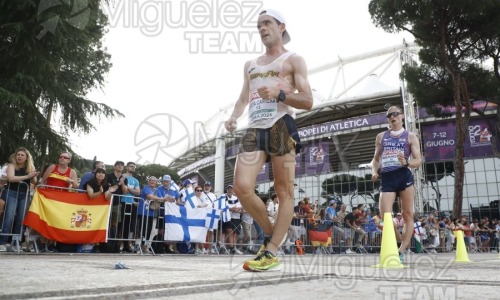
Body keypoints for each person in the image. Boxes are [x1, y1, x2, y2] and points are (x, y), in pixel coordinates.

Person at [224, 9, 313, 270]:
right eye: (259, 25)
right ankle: (272, 234)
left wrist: (279, 94)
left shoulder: (293, 59)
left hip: (280, 126)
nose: (262, 28)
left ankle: (271, 251)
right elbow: (243, 97)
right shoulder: (250, 64)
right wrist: (233, 117)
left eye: (267, 23)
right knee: (241, 187)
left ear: (281, 26)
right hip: (254, 128)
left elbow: (308, 100)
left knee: (284, 191)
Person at [371, 105, 422, 263]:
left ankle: (401, 250)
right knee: (385, 216)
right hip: (387, 176)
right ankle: (399, 240)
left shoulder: (410, 136)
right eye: (389, 115)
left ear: (401, 117)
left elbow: (418, 161)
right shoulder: (381, 136)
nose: (392, 117)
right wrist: (374, 171)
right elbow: (376, 159)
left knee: (407, 214)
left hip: (403, 175)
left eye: (395, 114)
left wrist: (406, 162)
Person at [0, 148, 39, 252]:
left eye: (22, 155)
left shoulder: (30, 167)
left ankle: (16, 242)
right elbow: (11, 178)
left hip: (24, 194)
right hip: (12, 192)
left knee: (21, 219)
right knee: (9, 216)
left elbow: (34, 181)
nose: (20, 157)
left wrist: (33, 176)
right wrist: (27, 176)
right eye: (18, 155)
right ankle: (3, 242)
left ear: (26, 158)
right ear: (15, 156)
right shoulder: (11, 166)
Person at [119, 162, 141, 253]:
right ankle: (118, 244)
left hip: (131, 204)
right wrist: (132, 190)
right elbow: (121, 189)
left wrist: (128, 188)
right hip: (122, 202)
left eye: (134, 167)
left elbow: (138, 192)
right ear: (127, 167)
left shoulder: (135, 180)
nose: (133, 168)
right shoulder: (122, 176)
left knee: (129, 225)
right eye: (131, 166)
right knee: (121, 224)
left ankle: (126, 244)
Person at [199, 181, 218, 254]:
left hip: (211, 215)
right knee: (202, 232)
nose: (206, 187)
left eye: (208, 186)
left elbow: (215, 204)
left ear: (211, 187)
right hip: (202, 215)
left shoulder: (213, 195)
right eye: (205, 186)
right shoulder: (200, 193)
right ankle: (202, 248)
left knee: (211, 232)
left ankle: (210, 248)